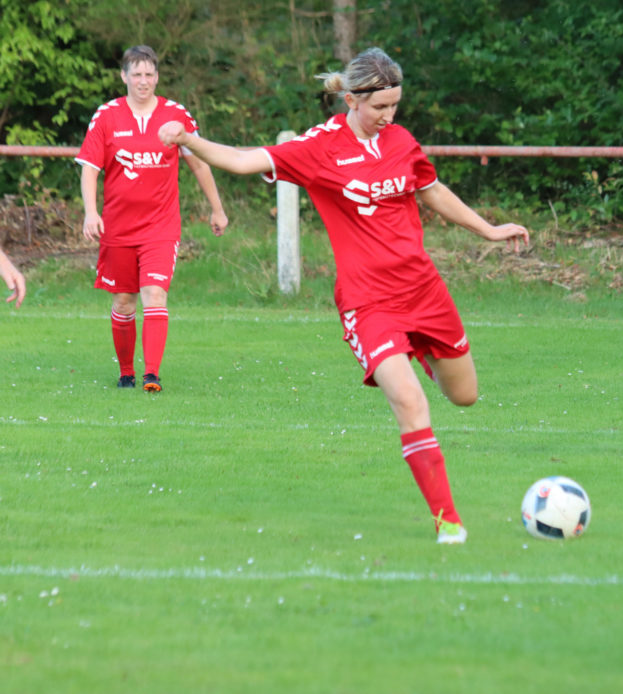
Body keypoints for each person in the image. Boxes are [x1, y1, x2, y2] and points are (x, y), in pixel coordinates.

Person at [157, 46, 529, 544]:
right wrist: (188, 139)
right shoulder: (320, 147)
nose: (388, 117)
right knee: (410, 401)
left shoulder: (401, 142)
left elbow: (432, 190)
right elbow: (246, 161)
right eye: (379, 108)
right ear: (352, 99)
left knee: (464, 396)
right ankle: (447, 521)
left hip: (423, 290)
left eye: (395, 106)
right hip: (367, 300)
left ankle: (413, 349)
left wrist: (487, 229)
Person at [76, 45, 229, 392]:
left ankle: (152, 375)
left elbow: (200, 162)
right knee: (124, 301)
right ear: (124, 77)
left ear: (157, 77)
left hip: (161, 226)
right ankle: (127, 373)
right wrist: (90, 211)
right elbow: (89, 168)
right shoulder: (107, 116)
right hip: (117, 227)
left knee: (155, 294)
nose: (143, 81)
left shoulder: (175, 116)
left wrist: (217, 208)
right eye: (136, 74)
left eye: (149, 74)